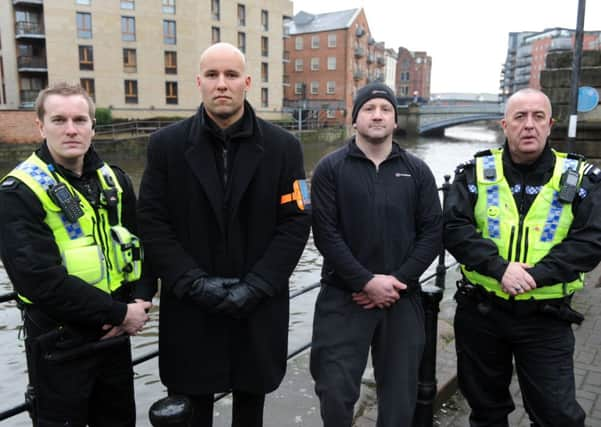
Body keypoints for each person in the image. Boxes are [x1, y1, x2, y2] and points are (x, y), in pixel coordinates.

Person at [137, 42, 311, 426]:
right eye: (212, 75)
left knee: (251, 409)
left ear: (247, 82)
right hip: (191, 307)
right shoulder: (165, 146)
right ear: (198, 82)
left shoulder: (284, 148)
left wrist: (257, 285)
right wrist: (192, 282)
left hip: (258, 307)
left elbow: (297, 222)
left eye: (231, 75)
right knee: (189, 409)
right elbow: (152, 221)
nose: (222, 84)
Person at [444, 88, 601, 426]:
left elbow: (591, 240)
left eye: (538, 117)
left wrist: (534, 276)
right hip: (481, 313)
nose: (529, 125)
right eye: (520, 117)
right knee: (486, 412)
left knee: (557, 415)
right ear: (505, 125)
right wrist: (499, 269)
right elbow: (455, 228)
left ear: (550, 125)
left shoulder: (580, 179)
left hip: (545, 317)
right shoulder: (474, 173)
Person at [0, 82, 154, 426]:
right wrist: (119, 313)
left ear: (92, 126)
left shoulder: (113, 180)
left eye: (80, 120)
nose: (71, 129)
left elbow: (141, 244)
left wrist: (141, 299)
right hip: (60, 344)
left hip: (113, 340)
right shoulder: (18, 191)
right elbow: (39, 279)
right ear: (40, 126)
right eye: (59, 120)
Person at [309, 82, 443, 426]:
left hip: (401, 298)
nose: (378, 115)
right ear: (355, 119)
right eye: (369, 109)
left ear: (396, 120)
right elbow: (326, 233)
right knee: (334, 392)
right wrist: (365, 281)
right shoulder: (329, 169)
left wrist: (397, 280)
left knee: (400, 399)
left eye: (386, 109)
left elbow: (432, 232)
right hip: (343, 296)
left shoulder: (417, 171)